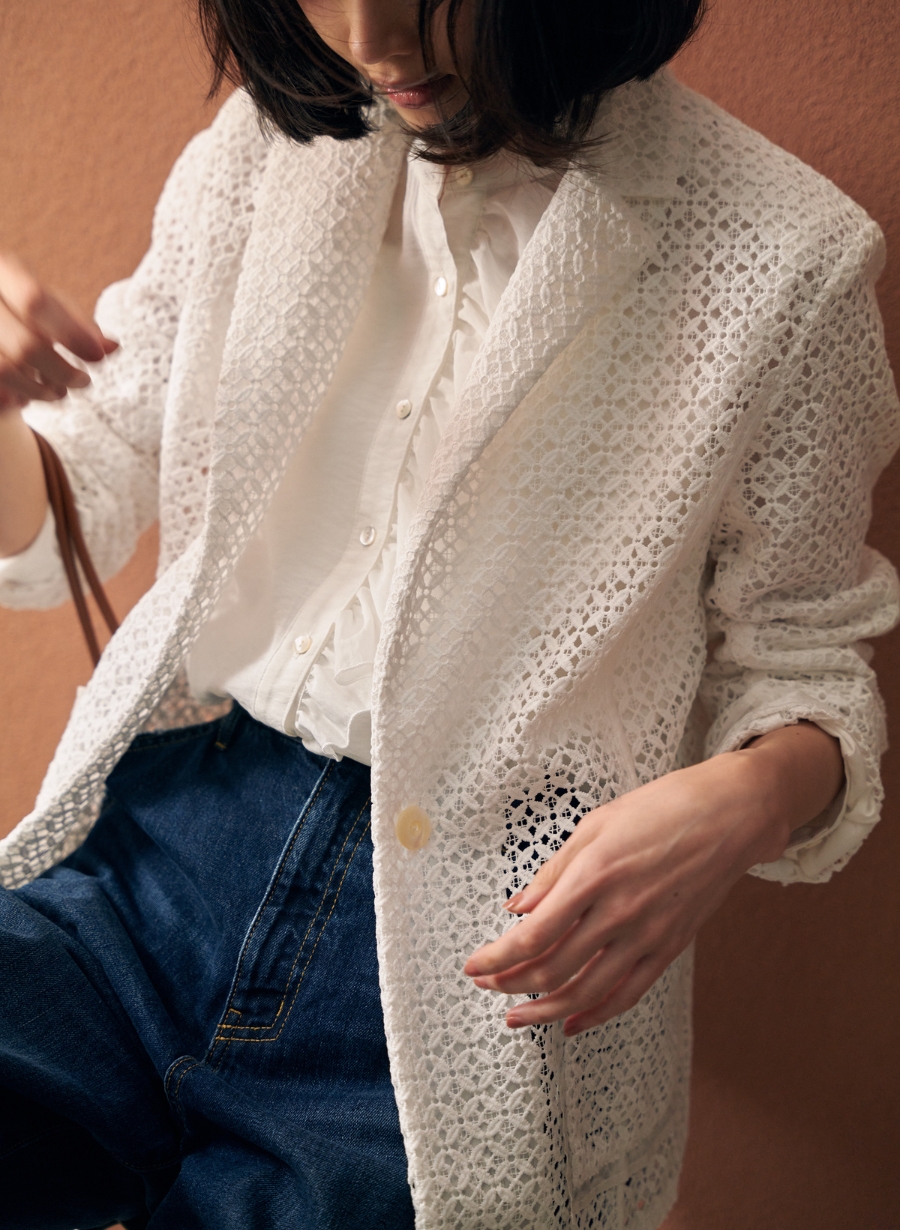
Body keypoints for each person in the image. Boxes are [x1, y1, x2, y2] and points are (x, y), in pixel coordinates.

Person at [0, 1, 897, 1227]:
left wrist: (745, 801)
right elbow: (85, 481)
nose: (371, 42)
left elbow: (806, 658)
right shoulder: (262, 152)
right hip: (154, 859)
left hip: (478, 966)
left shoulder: (788, 257)